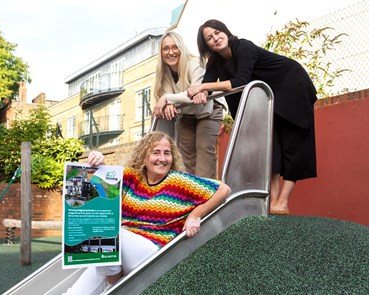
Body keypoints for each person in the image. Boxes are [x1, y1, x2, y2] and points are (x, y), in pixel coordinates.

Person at [63, 131, 231, 295]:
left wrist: (196, 215)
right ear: (144, 157)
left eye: (167, 153)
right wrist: (98, 159)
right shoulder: (132, 177)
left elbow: (223, 189)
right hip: (122, 249)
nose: (162, 159)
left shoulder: (179, 181)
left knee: (105, 230)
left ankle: (115, 277)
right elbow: (104, 179)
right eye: (156, 153)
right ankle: (114, 273)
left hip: (153, 253)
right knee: (74, 291)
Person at [187, 19, 317, 215]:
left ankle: (283, 201)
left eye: (217, 32)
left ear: (225, 31)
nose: (215, 38)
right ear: (207, 45)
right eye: (209, 38)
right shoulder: (216, 61)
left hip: (291, 85)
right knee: (271, 146)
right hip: (271, 94)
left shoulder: (244, 47)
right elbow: (208, 85)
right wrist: (201, 91)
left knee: (294, 143)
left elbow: (240, 80)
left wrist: (204, 88)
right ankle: (272, 201)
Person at [153, 31, 226, 179]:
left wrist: (168, 98)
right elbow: (168, 98)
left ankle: (207, 196)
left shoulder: (195, 64)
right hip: (187, 114)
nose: (171, 52)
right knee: (184, 155)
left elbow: (195, 92)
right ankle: (187, 196)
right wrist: (169, 103)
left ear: (182, 48)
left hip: (208, 110)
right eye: (165, 49)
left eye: (175, 47)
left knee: (204, 148)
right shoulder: (164, 71)